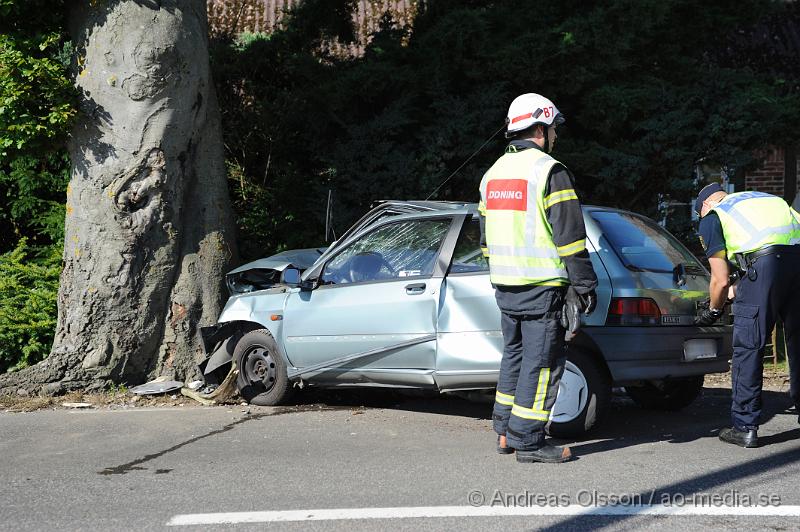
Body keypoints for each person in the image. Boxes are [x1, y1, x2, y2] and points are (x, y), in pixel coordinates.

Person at [478, 93, 598, 463]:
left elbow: (485, 237)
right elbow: (570, 235)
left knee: (513, 356)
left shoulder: (492, 174)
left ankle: (504, 431)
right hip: (542, 285)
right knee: (542, 363)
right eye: (553, 129)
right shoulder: (549, 170)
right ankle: (528, 440)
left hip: (505, 284)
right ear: (541, 128)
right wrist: (584, 284)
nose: (556, 136)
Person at [694, 183, 800, 447]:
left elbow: (718, 280)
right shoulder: (766, 201)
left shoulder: (714, 216)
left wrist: (714, 309)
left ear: (705, 206)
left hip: (764, 267)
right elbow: (777, 250)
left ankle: (744, 426)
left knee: (749, 345)